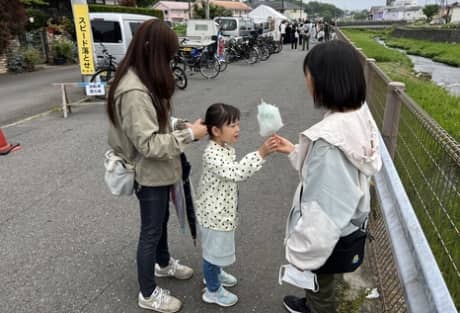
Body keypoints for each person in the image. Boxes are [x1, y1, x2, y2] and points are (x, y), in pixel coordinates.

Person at [107, 19, 208, 313]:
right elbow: (148, 144)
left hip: (160, 171)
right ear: (153, 52)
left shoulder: (143, 77)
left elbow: (157, 122)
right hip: (148, 173)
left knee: (160, 220)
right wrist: (190, 135)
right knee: (150, 230)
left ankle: (163, 264)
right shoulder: (134, 91)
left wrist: (181, 124)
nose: (170, 62)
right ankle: (148, 293)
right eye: (168, 55)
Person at [274, 40, 382, 313]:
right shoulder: (358, 114)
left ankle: (315, 306)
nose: (306, 81)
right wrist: (295, 151)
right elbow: (336, 167)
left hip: (329, 236)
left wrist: (299, 255)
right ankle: (311, 302)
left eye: (308, 74)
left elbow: (323, 212)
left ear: (325, 80)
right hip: (349, 226)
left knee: (321, 284)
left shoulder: (328, 142)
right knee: (326, 281)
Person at [196, 103, 278, 307]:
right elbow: (236, 172)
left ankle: (215, 273)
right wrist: (260, 153)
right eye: (232, 125)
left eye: (238, 124)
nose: (238, 129)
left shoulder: (224, 147)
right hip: (213, 215)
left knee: (217, 250)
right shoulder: (212, 154)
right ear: (216, 131)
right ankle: (212, 289)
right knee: (212, 253)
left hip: (222, 211)